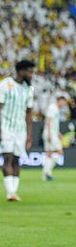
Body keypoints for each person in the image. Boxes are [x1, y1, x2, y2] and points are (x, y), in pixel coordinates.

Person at [1, 60, 36, 201]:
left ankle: (13, 192)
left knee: (16, 159)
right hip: (5, 127)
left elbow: (29, 113)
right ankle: (10, 192)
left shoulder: (29, 89)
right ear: (21, 71)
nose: (31, 75)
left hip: (20, 129)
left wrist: (29, 134)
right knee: (7, 157)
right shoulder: (5, 85)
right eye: (29, 71)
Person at [42, 94, 69, 181]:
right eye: (64, 102)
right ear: (60, 100)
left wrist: (58, 133)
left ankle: (46, 174)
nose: (64, 104)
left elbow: (53, 123)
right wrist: (50, 133)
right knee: (59, 151)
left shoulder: (56, 108)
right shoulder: (53, 108)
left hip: (52, 133)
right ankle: (47, 172)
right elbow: (48, 121)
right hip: (50, 133)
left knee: (49, 154)